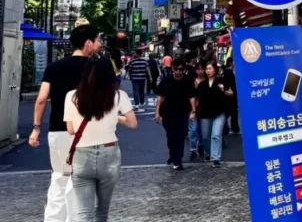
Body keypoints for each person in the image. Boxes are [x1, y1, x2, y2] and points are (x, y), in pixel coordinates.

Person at [29, 24, 102, 222]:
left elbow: (41, 99)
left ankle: (53, 219)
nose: (99, 44)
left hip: (58, 131)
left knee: (60, 176)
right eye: (97, 40)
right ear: (88, 43)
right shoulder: (96, 69)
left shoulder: (54, 68)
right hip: (88, 133)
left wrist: (36, 128)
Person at [64, 57, 137, 222]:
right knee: (102, 211)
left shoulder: (72, 96)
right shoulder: (119, 95)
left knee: (84, 213)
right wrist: (115, 117)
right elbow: (132, 123)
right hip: (109, 153)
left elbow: (71, 130)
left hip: (82, 155)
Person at [155, 58, 197, 170]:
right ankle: (173, 154)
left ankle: (177, 160)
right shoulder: (167, 80)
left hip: (182, 112)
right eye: (176, 69)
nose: (178, 71)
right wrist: (157, 112)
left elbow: (192, 97)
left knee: (180, 136)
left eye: (181, 69)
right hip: (167, 113)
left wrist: (193, 111)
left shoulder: (188, 81)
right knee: (171, 137)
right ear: (172, 69)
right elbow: (160, 97)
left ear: (184, 69)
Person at [195, 61, 233, 167]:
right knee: (205, 136)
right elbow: (197, 99)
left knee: (216, 134)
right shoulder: (202, 84)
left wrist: (223, 90)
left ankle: (216, 158)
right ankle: (208, 152)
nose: (208, 71)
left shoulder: (221, 81)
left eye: (210, 68)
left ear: (215, 70)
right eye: (207, 69)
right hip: (205, 112)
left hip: (220, 111)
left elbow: (231, 93)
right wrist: (194, 111)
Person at [222, 57, 240, 135]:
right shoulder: (228, 71)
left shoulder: (230, 71)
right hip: (230, 93)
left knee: (230, 112)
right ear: (230, 63)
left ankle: (229, 127)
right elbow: (229, 83)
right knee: (232, 112)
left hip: (230, 93)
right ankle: (233, 127)